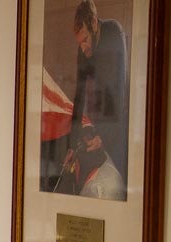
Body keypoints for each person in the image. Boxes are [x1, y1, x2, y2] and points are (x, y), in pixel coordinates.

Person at [60, 0, 129, 198]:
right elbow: (79, 97)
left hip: (120, 118)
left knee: (116, 184)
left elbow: (119, 93)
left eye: (85, 39)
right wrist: (72, 146)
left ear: (94, 23)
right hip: (101, 113)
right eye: (79, 42)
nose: (82, 48)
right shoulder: (83, 49)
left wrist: (104, 137)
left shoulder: (114, 32)